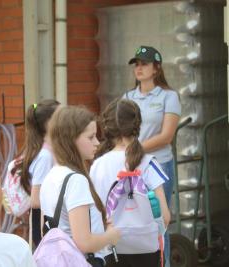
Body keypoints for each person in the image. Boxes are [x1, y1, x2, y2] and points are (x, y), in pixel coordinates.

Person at [90, 99, 171, 266]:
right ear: (137, 125)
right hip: (147, 249)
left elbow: (94, 214)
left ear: (107, 128)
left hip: (110, 248)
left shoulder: (97, 165)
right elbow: (165, 216)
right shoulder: (149, 163)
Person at [40, 105, 121, 266]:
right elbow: (84, 242)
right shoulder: (76, 180)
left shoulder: (51, 176)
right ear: (70, 139)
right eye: (91, 137)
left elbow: (47, 230)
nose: (97, 142)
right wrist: (111, 236)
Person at [124, 45, 181, 266]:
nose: (139, 68)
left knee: (159, 221)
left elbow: (166, 136)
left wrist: (136, 149)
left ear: (156, 68)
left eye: (144, 64)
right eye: (136, 64)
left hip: (159, 165)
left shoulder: (169, 96)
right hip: (132, 166)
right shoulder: (128, 97)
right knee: (133, 219)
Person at [9, 99, 60, 246]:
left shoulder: (43, 151)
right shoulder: (44, 156)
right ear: (49, 124)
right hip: (42, 221)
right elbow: (36, 200)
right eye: (62, 117)